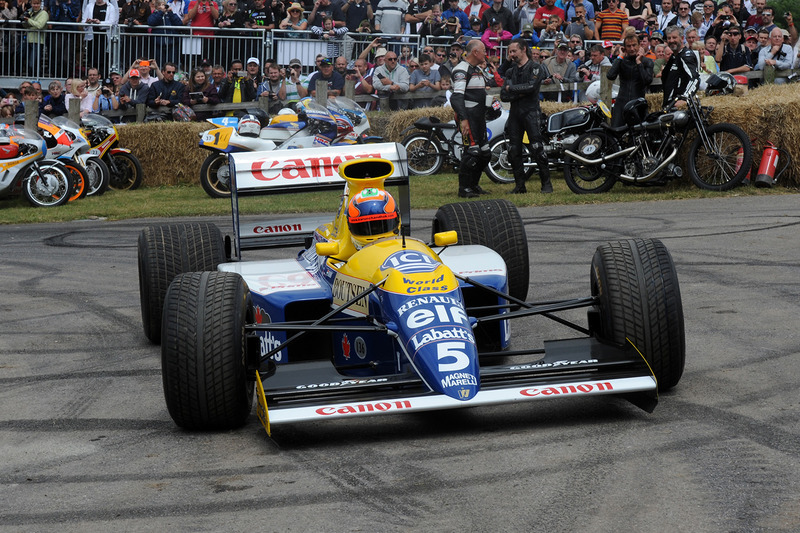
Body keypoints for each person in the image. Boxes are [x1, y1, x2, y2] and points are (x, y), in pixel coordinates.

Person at [500, 38, 551, 194]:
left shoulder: (536, 67)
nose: (511, 55)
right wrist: (519, 92)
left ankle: (546, 184)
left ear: (523, 49)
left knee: (537, 148)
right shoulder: (510, 71)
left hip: (531, 112)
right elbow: (503, 95)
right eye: (510, 52)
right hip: (515, 113)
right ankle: (520, 185)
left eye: (514, 51)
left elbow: (531, 87)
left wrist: (512, 89)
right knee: (513, 149)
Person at [451, 40, 493, 198]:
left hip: (479, 117)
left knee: (485, 153)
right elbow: (456, 98)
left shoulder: (477, 69)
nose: (485, 54)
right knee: (472, 152)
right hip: (468, 118)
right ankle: (464, 188)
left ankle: (474, 185)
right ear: (475, 52)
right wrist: (463, 120)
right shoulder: (461, 69)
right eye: (483, 50)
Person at [607, 33, 654, 127]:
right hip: (621, 103)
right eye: (628, 46)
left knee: (639, 135)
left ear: (639, 46)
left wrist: (639, 63)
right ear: (624, 48)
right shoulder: (622, 60)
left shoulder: (646, 61)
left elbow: (647, 81)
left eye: (634, 45)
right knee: (616, 133)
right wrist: (620, 57)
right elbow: (610, 76)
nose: (632, 49)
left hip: (638, 103)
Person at [661, 24, 698, 107]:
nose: (671, 40)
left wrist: (685, 98)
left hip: (679, 108)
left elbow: (695, 79)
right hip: (668, 105)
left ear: (682, 38)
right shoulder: (673, 57)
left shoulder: (686, 55)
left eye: (674, 37)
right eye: (669, 38)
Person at [81, 0, 118, 77]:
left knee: (104, 60)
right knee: (92, 59)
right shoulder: (89, 6)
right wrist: (88, 22)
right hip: (92, 36)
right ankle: (93, 76)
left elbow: (112, 22)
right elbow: (83, 21)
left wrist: (100, 23)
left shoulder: (110, 7)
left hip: (104, 37)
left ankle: (103, 76)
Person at [148, 0, 183, 69]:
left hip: (172, 43)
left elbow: (179, 24)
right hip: (159, 44)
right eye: (161, 5)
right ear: (156, 7)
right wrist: (161, 12)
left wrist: (170, 13)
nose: (163, 6)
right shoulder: (154, 15)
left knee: (173, 64)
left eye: (164, 4)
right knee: (160, 64)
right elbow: (151, 22)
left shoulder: (170, 15)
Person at [20, 0, 49, 77]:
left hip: (38, 41)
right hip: (28, 40)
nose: (35, 5)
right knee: (27, 62)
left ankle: (36, 79)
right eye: (34, 4)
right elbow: (26, 26)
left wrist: (28, 20)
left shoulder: (44, 13)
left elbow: (40, 25)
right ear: (31, 4)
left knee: (33, 63)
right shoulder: (30, 12)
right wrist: (25, 19)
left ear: (40, 4)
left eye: (37, 4)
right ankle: (30, 78)